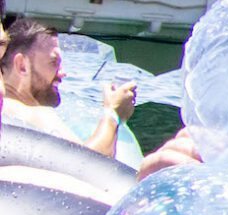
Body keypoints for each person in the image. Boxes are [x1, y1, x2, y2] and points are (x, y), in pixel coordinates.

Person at [1, 17, 134, 157]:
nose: (62, 73)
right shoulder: (34, 115)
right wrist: (113, 113)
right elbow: (89, 162)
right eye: (54, 62)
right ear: (22, 65)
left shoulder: (8, 114)